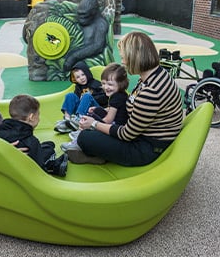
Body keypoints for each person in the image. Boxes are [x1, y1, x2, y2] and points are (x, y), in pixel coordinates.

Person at [67, 31, 183, 166]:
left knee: (85, 137)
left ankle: (96, 155)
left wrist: (94, 124)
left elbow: (126, 134)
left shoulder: (151, 92)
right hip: (143, 133)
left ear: (135, 57)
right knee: (96, 116)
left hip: (146, 148)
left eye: (124, 57)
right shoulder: (155, 74)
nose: (122, 61)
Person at [60, 63, 129, 152]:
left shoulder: (109, 93)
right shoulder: (120, 95)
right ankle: (67, 119)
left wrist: (94, 123)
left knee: (88, 99)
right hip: (112, 120)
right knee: (70, 96)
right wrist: (99, 110)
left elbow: (108, 120)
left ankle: (80, 132)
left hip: (115, 126)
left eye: (110, 84)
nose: (105, 87)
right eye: (103, 83)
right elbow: (113, 108)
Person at [0, 94, 68, 177]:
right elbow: (40, 170)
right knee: (49, 149)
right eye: (38, 114)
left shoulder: (0, 130)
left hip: (4, 167)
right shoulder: (31, 141)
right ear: (32, 117)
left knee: (48, 144)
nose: (39, 118)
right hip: (24, 171)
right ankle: (53, 166)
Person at [54, 61, 108, 133]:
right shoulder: (78, 88)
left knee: (86, 96)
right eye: (78, 77)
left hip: (96, 110)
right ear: (75, 79)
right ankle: (67, 120)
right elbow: (75, 101)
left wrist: (90, 97)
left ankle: (79, 120)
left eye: (83, 75)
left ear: (87, 73)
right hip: (82, 111)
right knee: (70, 95)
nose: (81, 78)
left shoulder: (95, 84)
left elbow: (104, 98)